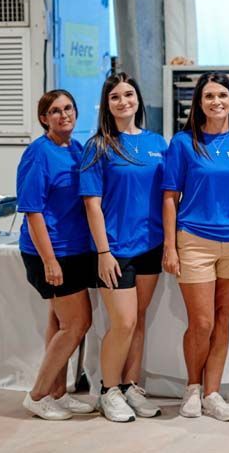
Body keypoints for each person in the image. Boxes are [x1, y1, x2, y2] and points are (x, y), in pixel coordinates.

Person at [162, 72, 229, 421]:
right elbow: (170, 197)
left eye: (223, 95)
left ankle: (213, 393)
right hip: (195, 241)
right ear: (199, 103)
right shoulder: (183, 143)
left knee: (223, 319)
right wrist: (170, 246)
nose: (216, 102)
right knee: (201, 322)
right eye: (209, 96)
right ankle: (192, 388)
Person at [80, 73, 167, 422]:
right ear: (107, 105)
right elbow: (91, 204)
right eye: (115, 97)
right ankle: (108, 390)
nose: (123, 101)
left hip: (151, 245)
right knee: (124, 323)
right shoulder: (98, 146)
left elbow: (168, 196)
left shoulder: (158, 143)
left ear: (138, 100)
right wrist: (103, 252)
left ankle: (132, 387)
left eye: (129, 94)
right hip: (115, 249)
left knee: (139, 320)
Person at [17, 90, 95, 420]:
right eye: (55, 110)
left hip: (76, 249)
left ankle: (57, 393)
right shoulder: (39, 153)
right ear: (44, 118)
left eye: (68, 108)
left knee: (60, 321)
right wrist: (49, 260)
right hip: (51, 252)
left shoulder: (77, 149)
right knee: (78, 322)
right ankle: (37, 396)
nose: (63, 114)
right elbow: (32, 211)